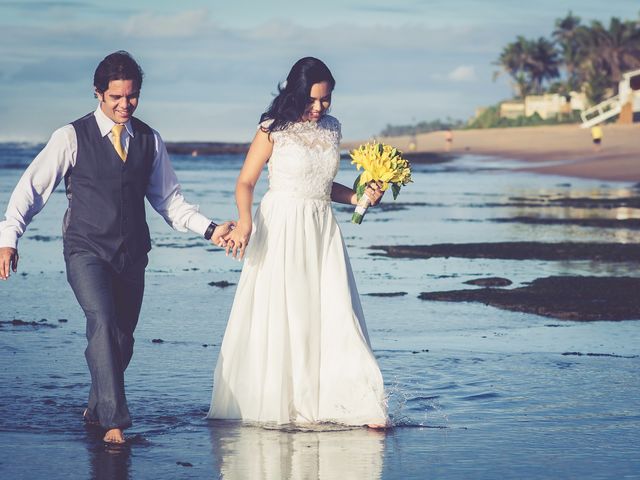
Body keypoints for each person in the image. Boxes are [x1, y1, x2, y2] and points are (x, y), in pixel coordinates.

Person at [0, 51, 234, 445]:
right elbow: (31, 189)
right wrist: (9, 238)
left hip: (132, 255)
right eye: (116, 98)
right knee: (104, 322)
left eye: (133, 97)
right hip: (86, 250)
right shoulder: (70, 137)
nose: (125, 105)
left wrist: (210, 229)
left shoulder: (149, 140)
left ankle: (96, 407)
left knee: (121, 339)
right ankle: (114, 424)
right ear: (98, 94)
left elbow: (170, 202)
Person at [208, 57, 388, 428]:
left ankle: (355, 404)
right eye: (313, 100)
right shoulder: (272, 128)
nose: (319, 108)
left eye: (326, 100)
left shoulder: (332, 129)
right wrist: (245, 223)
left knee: (336, 313)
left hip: (321, 229)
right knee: (284, 317)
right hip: (280, 228)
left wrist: (360, 198)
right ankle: (280, 404)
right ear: (296, 92)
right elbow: (245, 182)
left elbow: (325, 187)